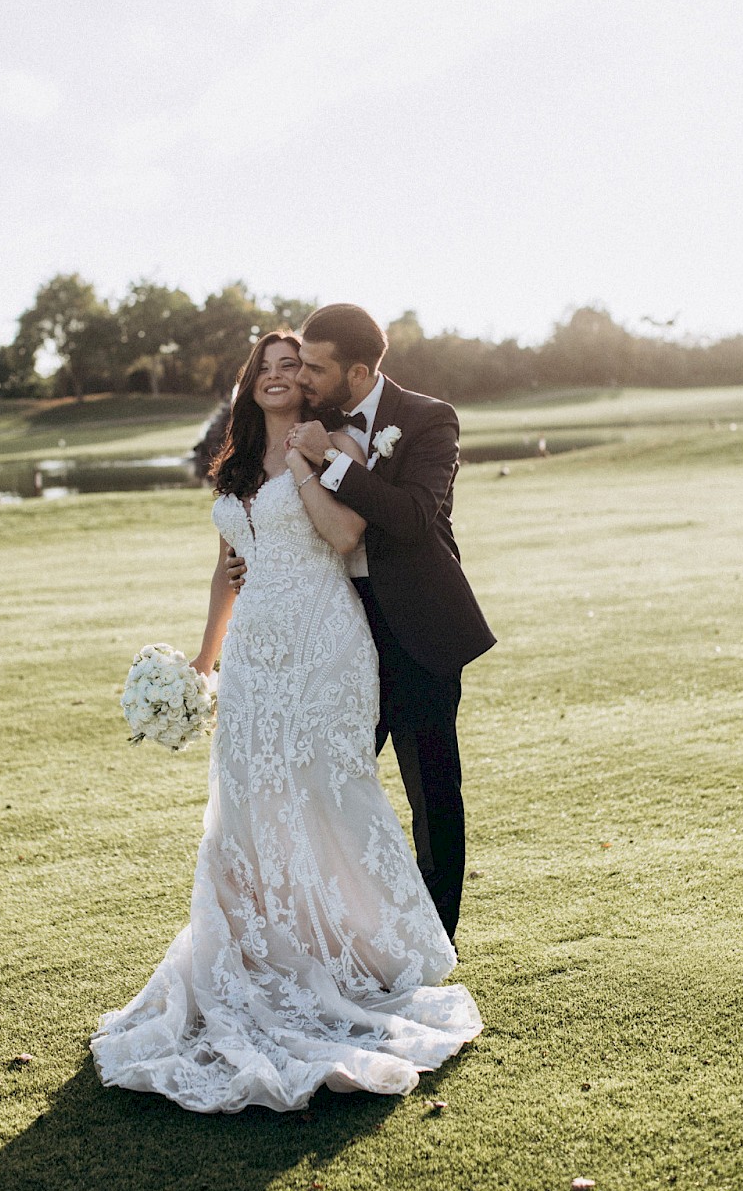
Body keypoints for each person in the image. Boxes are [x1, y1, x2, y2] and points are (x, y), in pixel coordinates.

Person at [90, 331, 481, 1114]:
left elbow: (343, 536)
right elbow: (225, 565)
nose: (278, 376)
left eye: (290, 367)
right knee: (248, 800)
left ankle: (368, 952)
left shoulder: (326, 443)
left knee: (329, 792)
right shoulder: (233, 462)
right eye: (265, 368)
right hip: (255, 656)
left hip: (323, 642)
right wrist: (204, 663)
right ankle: (263, 948)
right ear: (250, 384)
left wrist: (307, 463)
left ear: (310, 384)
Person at [228, 304, 496, 943]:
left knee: (432, 792)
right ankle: (327, 935)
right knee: (324, 787)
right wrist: (254, 561)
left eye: (315, 367)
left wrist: (337, 463)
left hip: (417, 630)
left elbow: (411, 517)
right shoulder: (314, 419)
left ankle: (436, 944)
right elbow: (286, 504)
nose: (304, 377)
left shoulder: (430, 420)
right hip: (335, 632)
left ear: (356, 371)